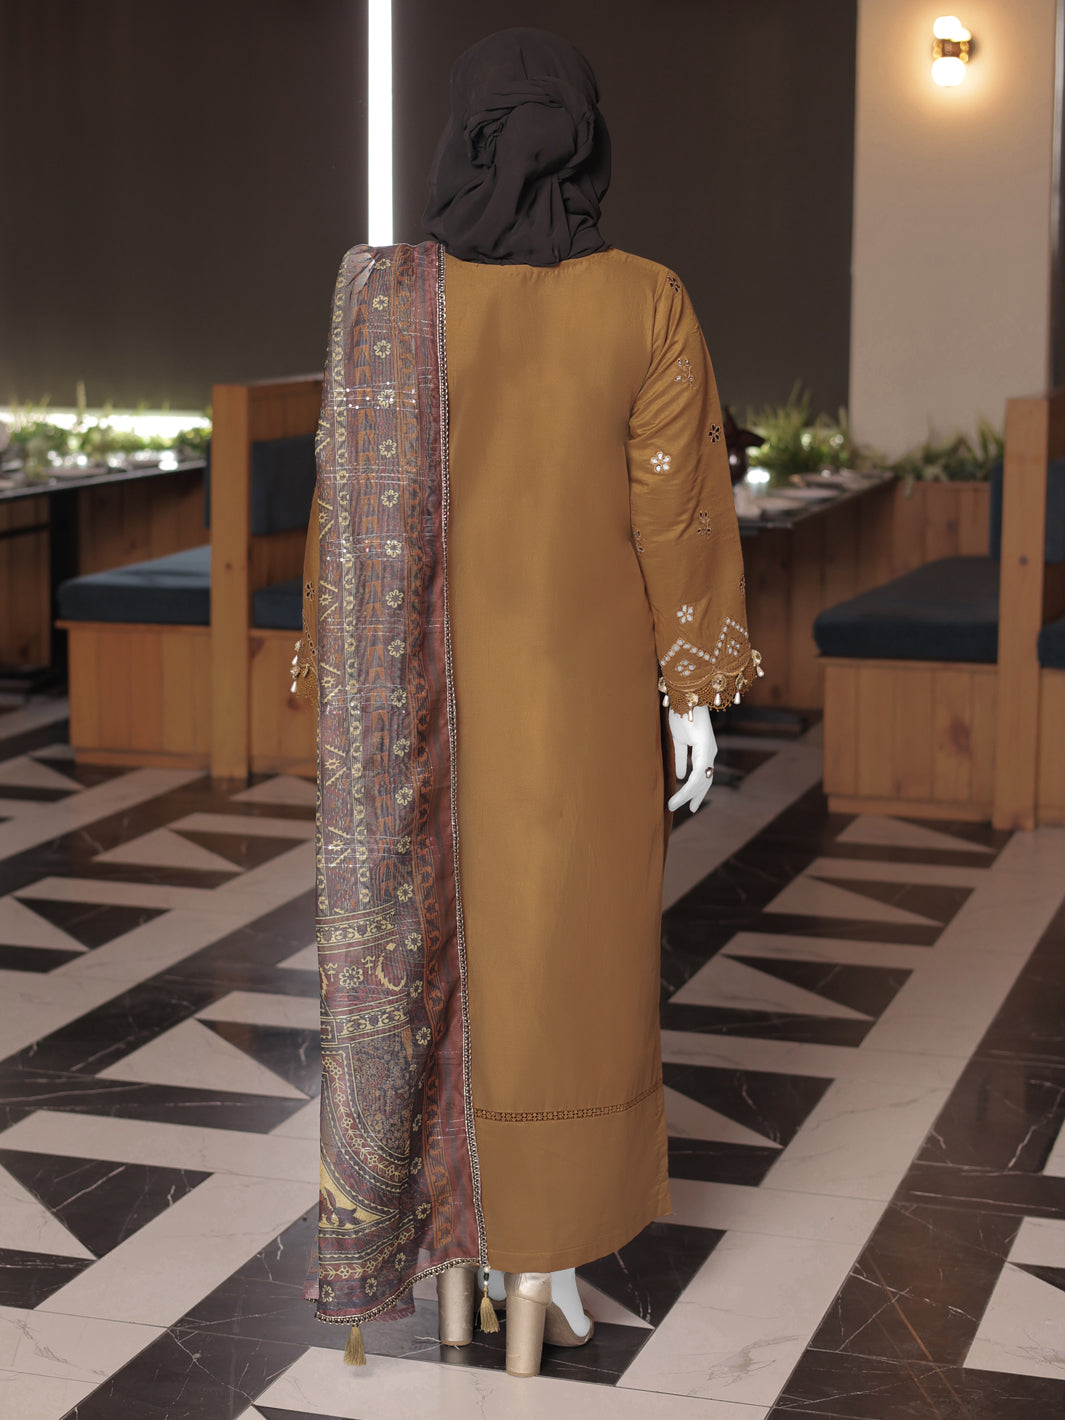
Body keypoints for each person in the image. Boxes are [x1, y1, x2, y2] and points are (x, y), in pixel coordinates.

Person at [292, 26, 761, 1380]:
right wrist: (693, 695)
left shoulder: (388, 299)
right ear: (589, 144)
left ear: (463, 139)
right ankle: (539, 1267)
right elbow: (676, 513)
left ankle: (457, 1278)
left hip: (420, 712)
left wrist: (334, 684)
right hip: (584, 707)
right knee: (569, 973)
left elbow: (342, 508)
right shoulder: (645, 299)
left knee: (450, 965)